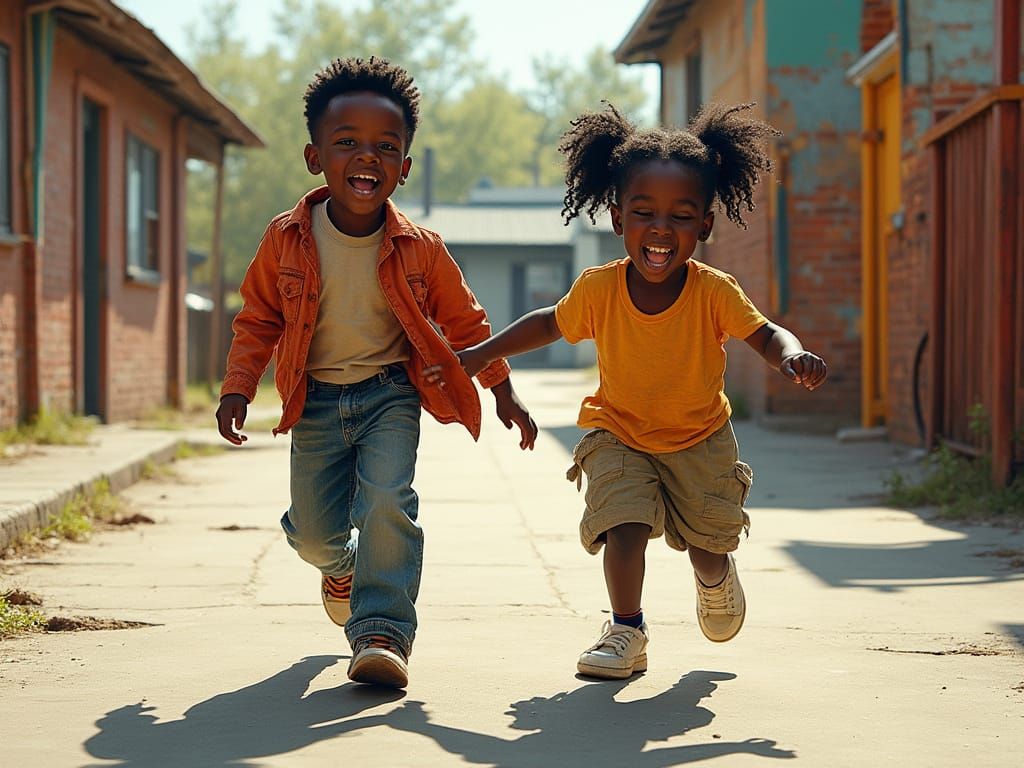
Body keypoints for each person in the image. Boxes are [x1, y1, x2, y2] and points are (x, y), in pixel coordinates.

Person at [457, 102, 826, 680]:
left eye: (681, 216)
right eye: (643, 212)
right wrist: (481, 353)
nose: (660, 230)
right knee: (621, 524)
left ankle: (714, 576)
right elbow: (550, 322)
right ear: (616, 216)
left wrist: (791, 356)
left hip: (699, 439)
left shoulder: (713, 290)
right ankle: (626, 630)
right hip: (619, 430)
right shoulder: (599, 288)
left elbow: (764, 333)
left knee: (706, 545)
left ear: (705, 224)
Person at [216, 57, 537, 689]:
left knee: (389, 499)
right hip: (314, 400)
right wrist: (237, 386)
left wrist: (502, 389)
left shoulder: (422, 248)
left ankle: (382, 632)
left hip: (391, 394)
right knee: (313, 534)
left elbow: (469, 323)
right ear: (315, 158)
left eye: (385, 147)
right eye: (347, 144)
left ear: (405, 166)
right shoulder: (285, 239)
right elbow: (257, 318)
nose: (367, 158)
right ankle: (341, 567)